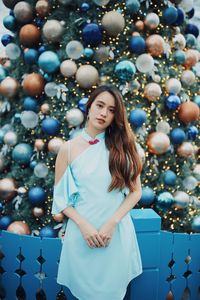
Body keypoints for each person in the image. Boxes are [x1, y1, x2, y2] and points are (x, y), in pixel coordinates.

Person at [51, 85, 143, 300]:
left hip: (115, 236)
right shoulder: (68, 149)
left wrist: (112, 224)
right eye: (100, 106)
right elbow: (60, 198)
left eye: (111, 110)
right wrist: (83, 226)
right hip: (82, 236)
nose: (104, 113)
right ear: (89, 107)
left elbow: (135, 192)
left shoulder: (124, 147)